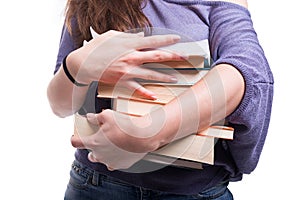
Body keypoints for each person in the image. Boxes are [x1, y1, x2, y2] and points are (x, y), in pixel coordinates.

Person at [47, 0, 274, 199]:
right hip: (96, 182)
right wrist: (76, 68)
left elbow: (246, 73)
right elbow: (59, 105)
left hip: (194, 191)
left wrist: (148, 133)